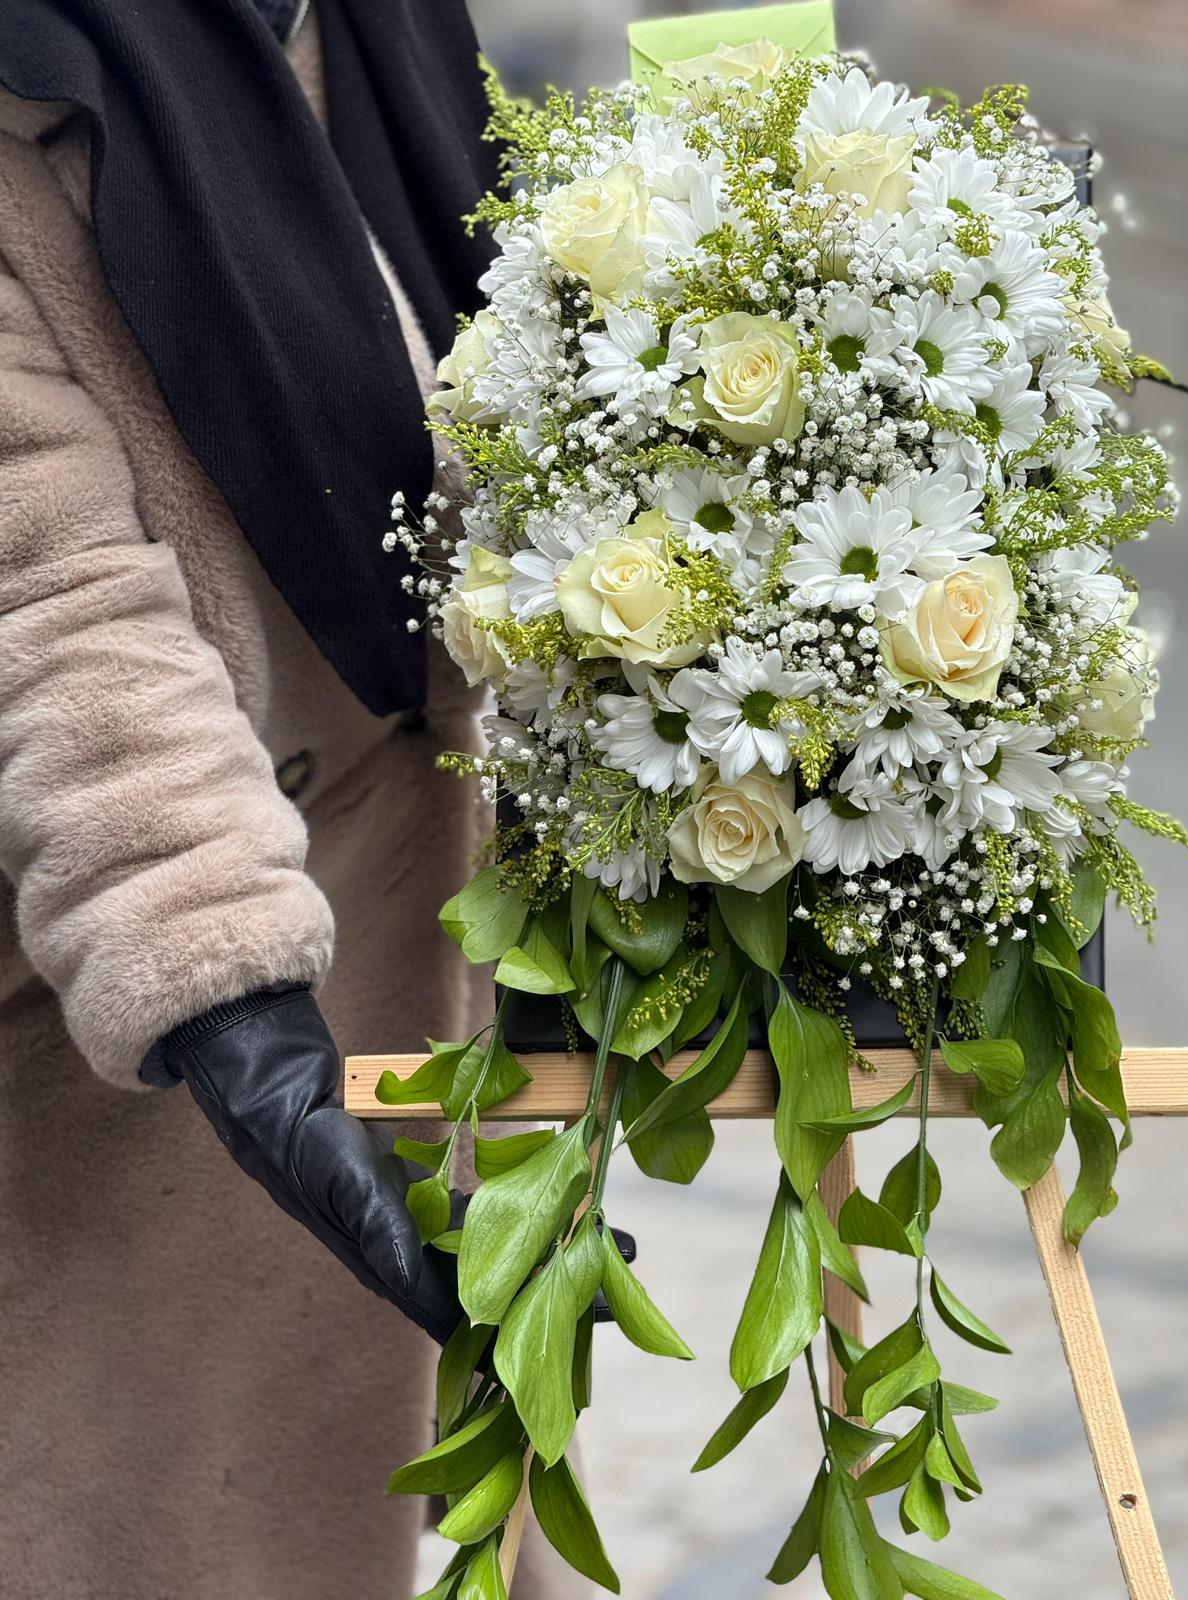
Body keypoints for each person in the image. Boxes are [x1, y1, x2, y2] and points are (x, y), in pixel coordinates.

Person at [0, 2, 589, 1595]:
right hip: (152, 1037)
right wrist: (220, 983)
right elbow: (47, 589)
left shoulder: (375, 21)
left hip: (422, 931)